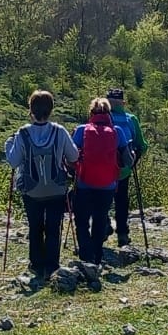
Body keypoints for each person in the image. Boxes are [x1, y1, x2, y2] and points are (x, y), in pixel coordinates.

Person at [4, 89, 77, 286]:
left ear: (31, 109)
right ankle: (52, 266)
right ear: (51, 110)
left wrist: (8, 144)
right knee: (54, 227)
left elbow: (13, 162)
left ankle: (36, 264)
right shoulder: (59, 131)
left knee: (35, 226)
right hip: (56, 189)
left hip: (32, 190)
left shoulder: (22, 133)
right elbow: (74, 156)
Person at [69, 97, 122, 271]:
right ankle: (97, 256)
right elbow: (127, 159)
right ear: (109, 113)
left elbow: (71, 155)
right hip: (108, 184)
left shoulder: (81, 130)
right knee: (100, 219)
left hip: (84, 182)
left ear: (91, 113)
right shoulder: (117, 131)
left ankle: (86, 255)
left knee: (82, 220)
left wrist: (73, 169)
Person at [105, 87, 145, 247]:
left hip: (103, 168)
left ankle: (104, 225)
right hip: (123, 168)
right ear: (123, 103)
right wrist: (132, 161)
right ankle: (122, 233)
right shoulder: (131, 119)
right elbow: (142, 145)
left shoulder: (98, 118)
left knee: (102, 197)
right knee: (122, 199)